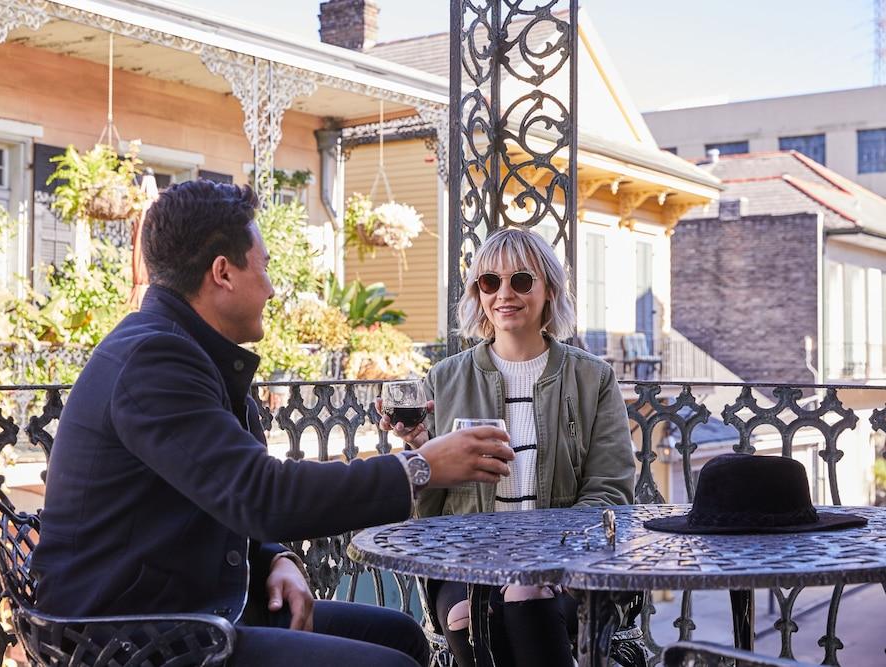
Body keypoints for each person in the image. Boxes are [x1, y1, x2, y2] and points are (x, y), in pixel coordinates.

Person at [31, 181, 517, 667]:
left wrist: (274, 558)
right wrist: (418, 467)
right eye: (264, 268)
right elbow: (263, 495)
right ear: (222, 273)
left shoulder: (181, 349)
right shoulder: (155, 360)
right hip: (135, 638)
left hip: (187, 609)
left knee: (399, 636)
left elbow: (220, 488)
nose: (271, 287)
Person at [379, 227, 635, 667]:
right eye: (489, 282)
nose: (504, 294)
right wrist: (423, 454)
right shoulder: (444, 378)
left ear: (549, 290)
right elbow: (430, 513)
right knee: (464, 615)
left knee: (525, 593)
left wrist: (547, 556)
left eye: (520, 280)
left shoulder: (592, 378)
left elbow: (610, 489)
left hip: (566, 561)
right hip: (466, 562)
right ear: (479, 293)